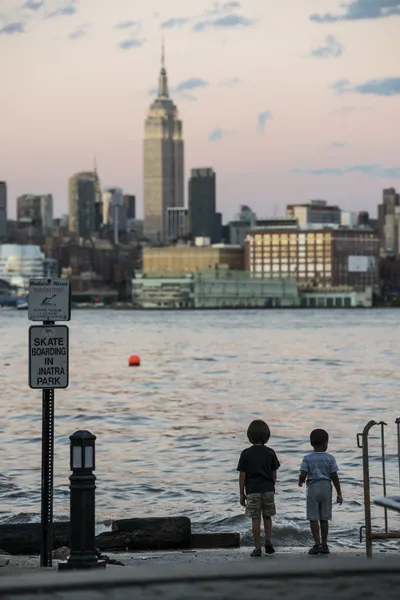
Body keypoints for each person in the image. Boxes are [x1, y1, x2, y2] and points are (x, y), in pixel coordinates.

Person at [237, 419, 280, 557]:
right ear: (267, 436)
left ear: (249, 436)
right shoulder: (270, 452)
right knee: (267, 517)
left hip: (253, 490)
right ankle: (268, 541)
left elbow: (242, 475)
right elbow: (274, 473)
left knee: (255, 519)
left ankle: (257, 548)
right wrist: (272, 485)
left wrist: (241, 493)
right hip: (268, 489)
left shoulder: (246, 453)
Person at [298, 428, 343, 555]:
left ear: (311, 443)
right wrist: (339, 493)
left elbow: (303, 474)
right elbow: (334, 476)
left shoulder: (307, 458)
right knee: (324, 518)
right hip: (326, 488)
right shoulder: (330, 458)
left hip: (312, 488)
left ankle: (317, 544)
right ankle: (325, 545)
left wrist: (301, 481)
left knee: (313, 518)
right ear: (325, 444)